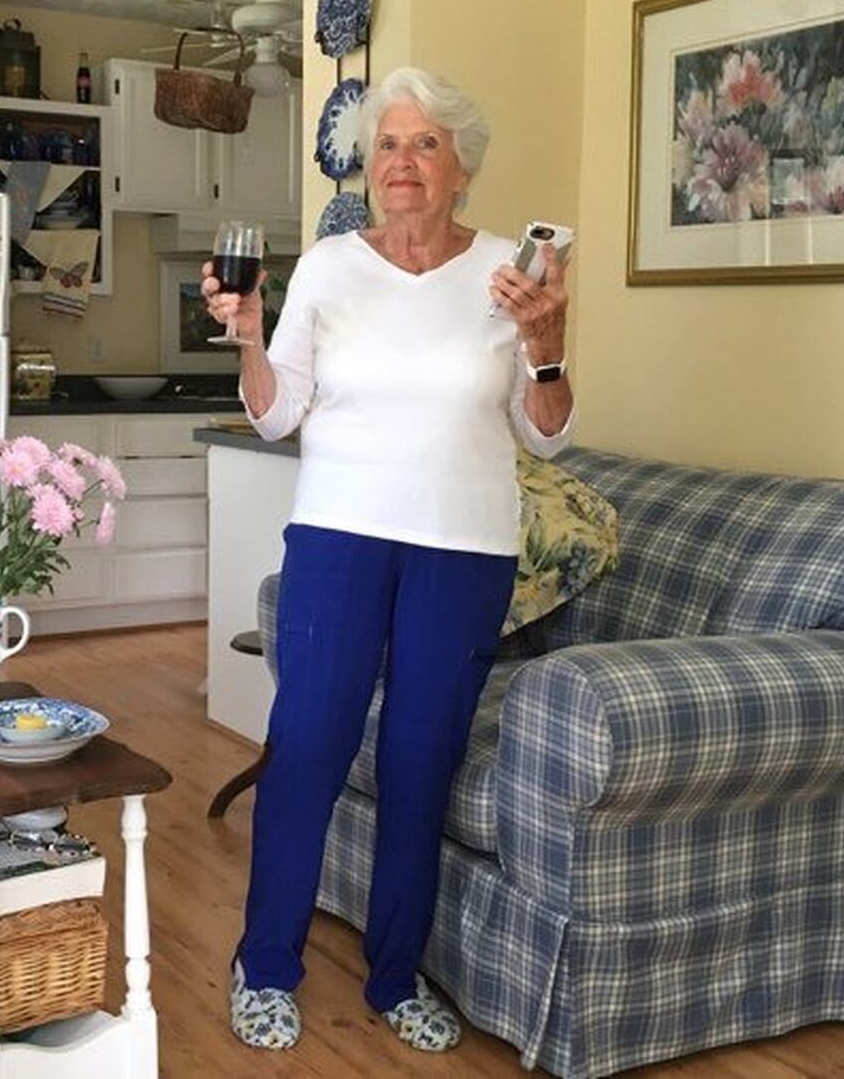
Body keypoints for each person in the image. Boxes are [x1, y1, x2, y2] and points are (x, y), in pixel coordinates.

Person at [201, 65, 577, 1054]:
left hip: (464, 550)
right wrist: (246, 339)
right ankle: (267, 961)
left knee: (421, 767)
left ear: (460, 166)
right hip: (337, 536)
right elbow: (278, 411)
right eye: (385, 146)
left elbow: (545, 435)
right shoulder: (329, 266)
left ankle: (395, 975)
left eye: (422, 144)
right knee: (308, 750)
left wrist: (549, 339)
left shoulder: (509, 272)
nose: (400, 163)